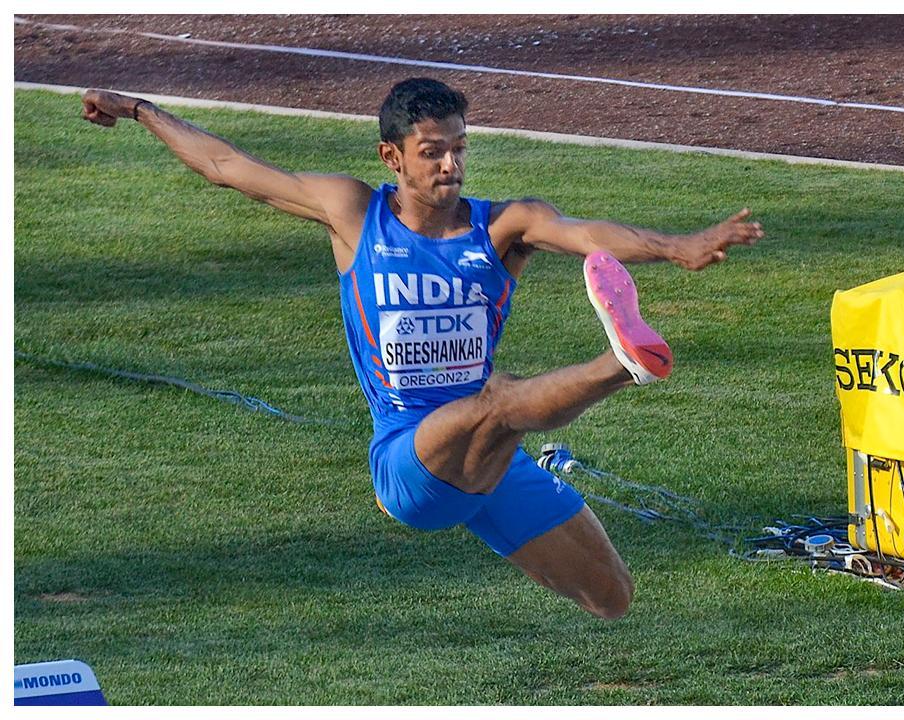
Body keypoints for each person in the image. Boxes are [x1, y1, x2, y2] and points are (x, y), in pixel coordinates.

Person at [80, 77, 763, 619]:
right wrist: (139, 109)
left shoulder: (503, 226)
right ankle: (622, 363)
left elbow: (585, 235)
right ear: (392, 156)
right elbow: (226, 165)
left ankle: (622, 362)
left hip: (492, 462)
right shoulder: (353, 213)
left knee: (611, 598)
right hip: (409, 460)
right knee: (497, 401)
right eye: (433, 150)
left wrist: (678, 247)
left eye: (459, 147)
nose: (451, 163)